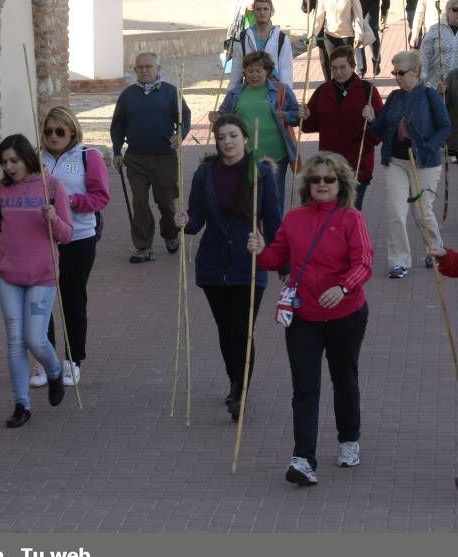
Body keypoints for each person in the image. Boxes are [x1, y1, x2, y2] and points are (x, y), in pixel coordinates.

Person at [247, 151, 373, 486]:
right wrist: (260, 251)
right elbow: (278, 257)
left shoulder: (352, 219)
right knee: (305, 386)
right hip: (303, 314)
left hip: (345, 313)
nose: (321, 184)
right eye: (315, 179)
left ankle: (349, 438)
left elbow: (364, 262)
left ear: (341, 183)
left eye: (328, 179)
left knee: (343, 378)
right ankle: (303, 458)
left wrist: (343, 288)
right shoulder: (294, 219)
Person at [174, 115, 282, 421]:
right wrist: (182, 222)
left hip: (249, 261)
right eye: (221, 137)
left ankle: (240, 391)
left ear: (245, 138)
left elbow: (274, 220)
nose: (227, 142)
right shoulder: (205, 173)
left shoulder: (261, 172)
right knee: (226, 330)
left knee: (242, 330)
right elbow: (196, 220)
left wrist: (281, 259)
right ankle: (235, 380)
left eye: (233, 135)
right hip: (213, 264)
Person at [0, 134, 74, 428]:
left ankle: (54, 370)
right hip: (8, 275)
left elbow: (67, 234)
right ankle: (21, 403)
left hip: (42, 276)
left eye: (14, 160)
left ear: (27, 158)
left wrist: (54, 219)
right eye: (4, 162)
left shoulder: (52, 188)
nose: (9, 167)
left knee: (35, 338)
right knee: (15, 341)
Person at [29, 105, 110, 388]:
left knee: (72, 299)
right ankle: (44, 357)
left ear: (72, 131)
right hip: (41, 239)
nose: (53, 136)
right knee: (40, 300)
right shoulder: (35, 158)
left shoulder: (89, 157)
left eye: (59, 131)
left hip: (78, 238)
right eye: (48, 131)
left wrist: (70, 201)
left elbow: (101, 198)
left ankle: (73, 360)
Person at [366, 50, 450, 278]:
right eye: (394, 72)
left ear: (416, 72)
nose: (397, 76)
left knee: (421, 212)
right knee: (395, 210)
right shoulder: (394, 97)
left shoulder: (430, 95)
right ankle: (399, 261)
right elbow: (378, 129)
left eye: (401, 72)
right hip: (395, 161)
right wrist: (372, 118)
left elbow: (445, 127)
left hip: (425, 163)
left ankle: (435, 249)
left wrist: (428, 145)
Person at [110, 51, 191, 264]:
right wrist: (117, 150)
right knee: (140, 202)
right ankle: (143, 246)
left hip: (165, 157)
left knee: (166, 202)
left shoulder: (170, 92)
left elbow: (184, 116)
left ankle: (171, 234)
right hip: (136, 158)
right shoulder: (128, 95)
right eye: (140, 67)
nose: (144, 70)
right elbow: (117, 124)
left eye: (149, 66)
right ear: (135, 70)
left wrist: (180, 134)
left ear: (158, 69)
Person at [300, 46, 383, 210]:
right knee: (329, 211)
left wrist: (373, 120)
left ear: (353, 66)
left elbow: (379, 134)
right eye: (334, 68)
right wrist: (307, 117)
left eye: (343, 67)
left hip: (358, 165)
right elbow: (310, 127)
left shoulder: (368, 91)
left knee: (351, 211)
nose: (338, 72)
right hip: (329, 167)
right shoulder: (323, 91)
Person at [213, 50, 299, 207]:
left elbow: (297, 116)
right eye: (250, 70)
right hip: (245, 155)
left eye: (258, 70)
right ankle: (253, 231)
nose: (254, 75)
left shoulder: (281, 90)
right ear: (244, 72)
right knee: (249, 200)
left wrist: (287, 115)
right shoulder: (235, 93)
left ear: (267, 71)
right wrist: (216, 118)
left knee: (274, 199)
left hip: (276, 155)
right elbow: (222, 117)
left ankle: (274, 231)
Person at [228, 0, 294, 91]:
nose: (262, 12)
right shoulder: (243, 38)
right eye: (258, 9)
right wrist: (231, 95)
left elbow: (286, 70)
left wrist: (286, 95)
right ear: (254, 12)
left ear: (271, 11)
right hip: (250, 89)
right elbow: (236, 70)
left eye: (265, 9)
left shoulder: (281, 39)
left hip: (273, 91)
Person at [420, 0, 458, 92]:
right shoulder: (435, 29)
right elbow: (424, 56)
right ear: (448, 11)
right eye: (456, 9)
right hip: (436, 85)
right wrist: (424, 79)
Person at [358, 0, 383, 77]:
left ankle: (376, 59)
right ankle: (361, 68)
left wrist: (385, 10)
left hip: (372, 5)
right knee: (358, 33)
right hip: (356, 5)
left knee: (372, 31)